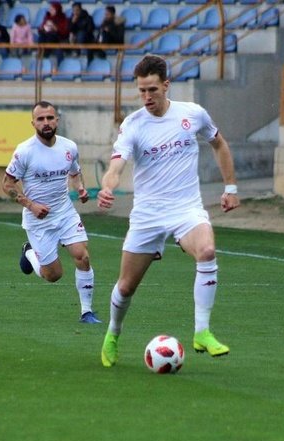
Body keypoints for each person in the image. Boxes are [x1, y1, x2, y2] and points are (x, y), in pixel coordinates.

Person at [97, 54, 240, 368]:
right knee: (126, 287)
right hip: (148, 215)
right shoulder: (133, 125)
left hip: (186, 208)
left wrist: (230, 187)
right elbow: (116, 165)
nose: (147, 97)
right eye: (142, 91)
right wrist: (109, 185)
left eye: (152, 90)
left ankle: (202, 331)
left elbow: (219, 143)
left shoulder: (193, 114)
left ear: (166, 85)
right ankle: (113, 333)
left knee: (207, 251)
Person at [1, 101, 101, 325]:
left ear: (57, 120)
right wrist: (30, 205)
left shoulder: (69, 147)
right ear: (33, 123)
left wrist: (81, 189)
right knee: (53, 275)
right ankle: (29, 253)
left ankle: (87, 312)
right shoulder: (25, 151)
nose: (46, 123)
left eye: (49, 118)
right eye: (40, 119)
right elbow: (7, 185)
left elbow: (75, 173)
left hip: (65, 212)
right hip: (38, 220)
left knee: (82, 256)